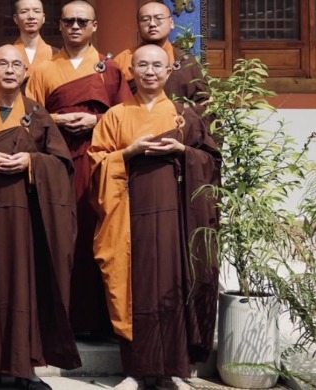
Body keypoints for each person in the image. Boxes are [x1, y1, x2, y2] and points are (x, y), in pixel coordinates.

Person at [89, 45, 220, 390]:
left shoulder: (185, 115)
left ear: (169, 70)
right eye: (142, 65)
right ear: (131, 70)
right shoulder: (115, 116)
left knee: (174, 285)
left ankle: (174, 369)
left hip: (175, 218)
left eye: (157, 65)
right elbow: (96, 164)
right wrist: (127, 153)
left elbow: (210, 162)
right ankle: (135, 370)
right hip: (129, 214)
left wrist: (183, 151)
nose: (149, 71)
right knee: (135, 287)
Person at [0, 45, 81, 390]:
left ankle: (24, 369)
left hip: (27, 218)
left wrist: (32, 163)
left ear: (26, 72)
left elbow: (62, 165)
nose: (9, 70)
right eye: (2, 64)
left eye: (17, 65)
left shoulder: (38, 115)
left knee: (25, 286)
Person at [24, 0, 132, 338]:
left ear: (94, 26)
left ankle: (93, 321)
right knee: (55, 234)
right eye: (69, 20)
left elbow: (125, 116)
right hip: (55, 162)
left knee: (93, 234)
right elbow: (28, 117)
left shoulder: (109, 69)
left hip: (94, 161)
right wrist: (56, 119)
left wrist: (95, 120)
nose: (75, 27)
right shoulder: (43, 69)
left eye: (82, 22)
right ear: (58, 24)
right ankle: (55, 321)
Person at [113, 2, 208, 108]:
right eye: (145, 20)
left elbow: (203, 104)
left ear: (171, 23)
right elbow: (112, 102)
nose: (152, 24)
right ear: (138, 26)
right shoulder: (123, 59)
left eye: (159, 18)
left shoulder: (186, 61)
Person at [11, 0, 55, 66]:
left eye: (37, 11)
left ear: (43, 18)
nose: (31, 16)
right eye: (24, 11)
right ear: (15, 18)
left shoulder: (55, 54)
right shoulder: (5, 55)